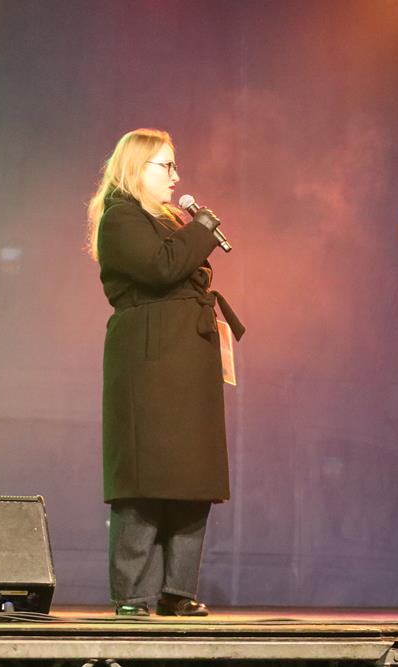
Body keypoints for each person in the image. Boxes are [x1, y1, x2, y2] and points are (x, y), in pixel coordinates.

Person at [86, 128, 244, 617]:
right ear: (137, 169)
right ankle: (134, 595)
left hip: (189, 360)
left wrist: (194, 229)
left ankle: (178, 589)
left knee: (192, 477)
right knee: (146, 475)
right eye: (166, 166)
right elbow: (162, 267)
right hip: (149, 363)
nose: (176, 177)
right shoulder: (120, 218)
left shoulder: (170, 219)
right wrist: (203, 227)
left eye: (175, 166)